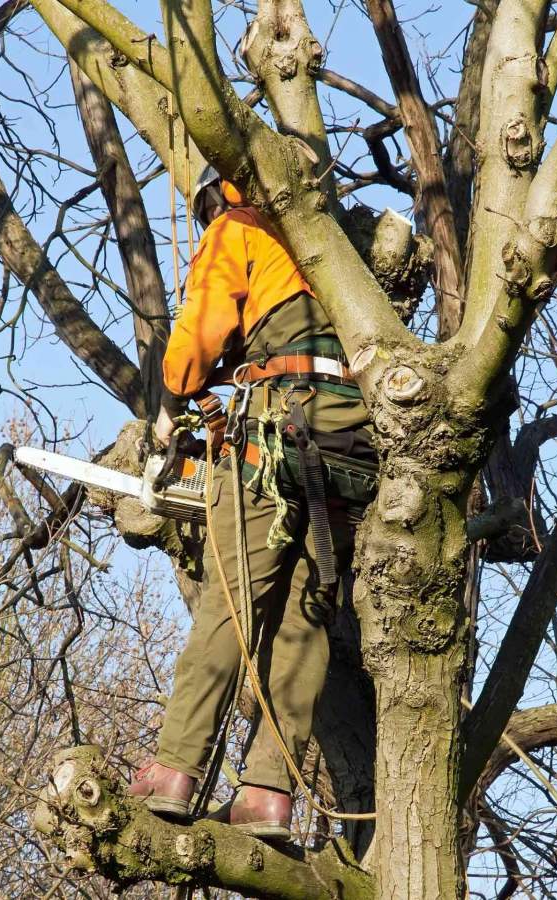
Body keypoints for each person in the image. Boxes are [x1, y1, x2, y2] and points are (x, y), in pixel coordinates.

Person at [129, 167, 375, 839]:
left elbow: (195, 345)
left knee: (229, 604)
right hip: (352, 444)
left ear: (217, 195)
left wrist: (170, 406)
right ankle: (268, 793)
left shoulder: (237, 229)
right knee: (305, 617)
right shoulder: (334, 247)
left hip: (278, 434)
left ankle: (178, 770)